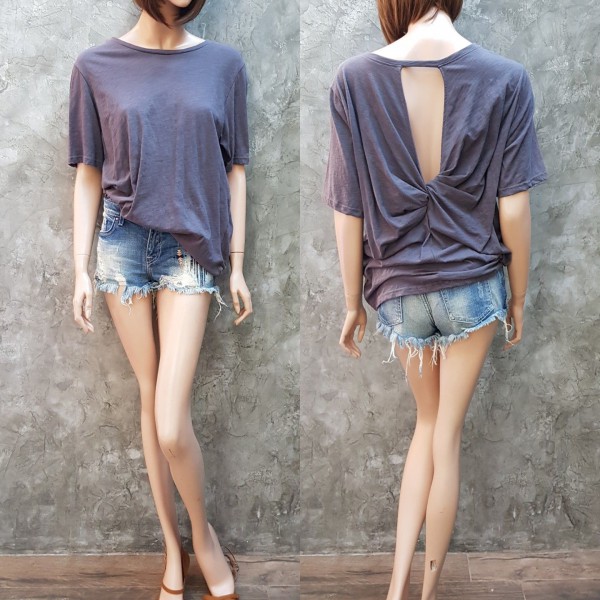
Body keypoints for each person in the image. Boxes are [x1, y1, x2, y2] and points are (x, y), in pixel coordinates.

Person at [323, 1, 547, 599]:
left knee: (424, 426)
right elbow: (514, 207)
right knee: (445, 437)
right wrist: (519, 296)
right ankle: (425, 594)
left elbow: (348, 209)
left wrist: (352, 303)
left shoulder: (353, 79)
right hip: (472, 287)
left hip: (397, 293)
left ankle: (396, 589)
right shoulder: (506, 79)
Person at [68, 1, 251, 599]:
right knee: (149, 398)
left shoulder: (224, 65)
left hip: (191, 244)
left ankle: (204, 536)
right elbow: (88, 172)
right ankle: (172, 547)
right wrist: (79, 269)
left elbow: (236, 170)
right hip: (121, 240)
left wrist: (238, 264)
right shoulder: (95, 65)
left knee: (171, 421)